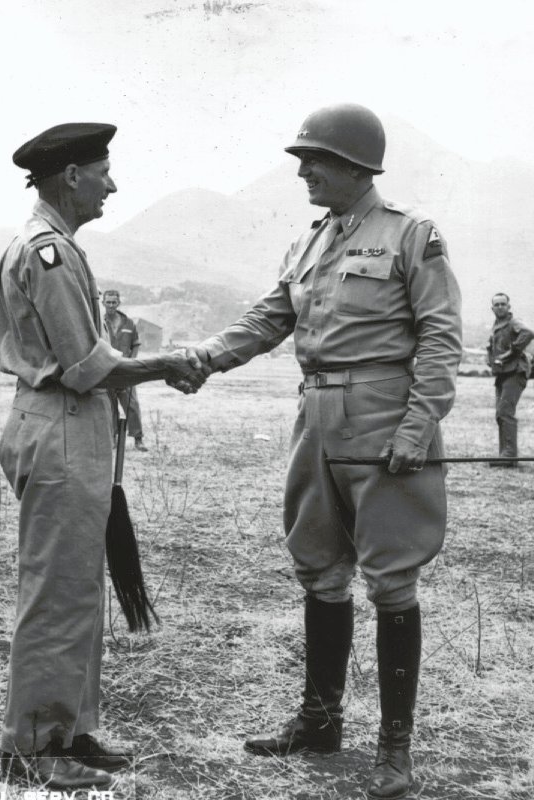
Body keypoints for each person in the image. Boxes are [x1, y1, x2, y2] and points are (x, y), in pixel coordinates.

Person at [182, 104, 462, 799]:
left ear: (352, 166)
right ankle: (319, 720)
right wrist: (203, 358)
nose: (302, 171)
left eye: (313, 159)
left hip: (383, 417)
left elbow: (439, 339)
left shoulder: (410, 236)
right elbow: (269, 316)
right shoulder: (309, 242)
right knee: (317, 568)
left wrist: (416, 427)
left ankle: (393, 749)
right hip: (314, 414)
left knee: (391, 579)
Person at [0, 122, 208, 789]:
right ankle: (35, 745)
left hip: (71, 429)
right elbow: (84, 365)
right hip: (61, 426)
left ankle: (71, 729)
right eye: (104, 170)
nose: (113, 182)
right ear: (73, 176)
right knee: (56, 594)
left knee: (79, 587)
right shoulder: (48, 252)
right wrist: (164, 364)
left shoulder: (57, 248)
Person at [486, 293, 534, 466]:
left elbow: (528, 333)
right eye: (496, 305)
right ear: (492, 308)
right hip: (503, 374)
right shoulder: (497, 325)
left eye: (503, 304)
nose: (500, 307)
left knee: (505, 412)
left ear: (509, 307)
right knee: (501, 414)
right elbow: (492, 346)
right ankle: (505, 455)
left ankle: (508, 456)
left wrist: (512, 352)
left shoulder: (514, 322)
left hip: (516, 372)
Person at [103, 289, 147, 451]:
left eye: (114, 302)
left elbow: (135, 344)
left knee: (131, 405)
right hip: (106, 370)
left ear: (119, 303)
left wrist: (132, 363)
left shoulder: (129, 323)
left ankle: (138, 439)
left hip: (126, 371)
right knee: (110, 406)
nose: (111, 305)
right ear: (103, 303)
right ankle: (113, 439)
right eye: (108, 302)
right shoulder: (99, 322)